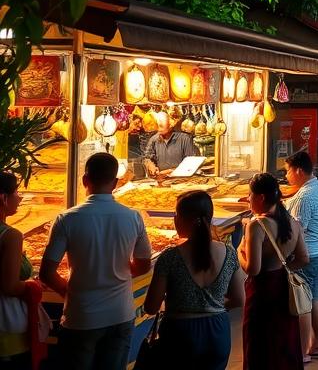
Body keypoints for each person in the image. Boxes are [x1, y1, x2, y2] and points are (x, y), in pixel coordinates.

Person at [40, 153, 152, 370]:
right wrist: (122, 270)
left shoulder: (67, 219)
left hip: (81, 316)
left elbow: (46, 272)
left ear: (84, 180)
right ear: (116, 183)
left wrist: (69, 293)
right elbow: (144, 264)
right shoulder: (133, 217)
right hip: (121, 314)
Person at [144, 191, 244, 370]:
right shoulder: (229, 253)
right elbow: (239, 299)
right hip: (217, 331)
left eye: (176, 214)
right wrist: (212, 305)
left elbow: (151, 307)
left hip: (179, 333)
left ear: (184, 220)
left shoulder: (170, 258)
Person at [239, 172, 308, 370]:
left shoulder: (257, 226)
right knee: (283, 343)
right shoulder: (292, 222)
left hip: (261, 295)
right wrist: (284, 269)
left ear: (260, 198)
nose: (248, 199)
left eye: (250, 195)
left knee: (259, 346)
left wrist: (238, 254)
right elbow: (304, 258)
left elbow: (253, 269)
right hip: (283, 290)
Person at [284, 151, 318, 361]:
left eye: (288, 171)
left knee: (301, 304)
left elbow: (296, 232)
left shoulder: (304, 197)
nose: (286, 176)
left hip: (306, 255)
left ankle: (302, 352)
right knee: (314, 297)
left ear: (298, 171)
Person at [0, 172, 37, 369]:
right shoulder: (11, 236)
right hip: (7, 327)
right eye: (16, 192)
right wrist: (32, 286)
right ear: (3, 198)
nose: (19, 198)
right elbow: (10, 286)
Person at [143, 110, 198, 178]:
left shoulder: (184, 139)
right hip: (161, 181)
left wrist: (171, 171)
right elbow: (147, 158)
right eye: (158, 126)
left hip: (182, 181)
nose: (159, 129)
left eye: (162, 126)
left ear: (170, 125)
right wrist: (151, 166)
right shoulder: (153, 139)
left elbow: (192, 163)